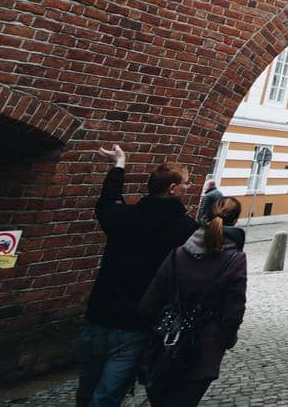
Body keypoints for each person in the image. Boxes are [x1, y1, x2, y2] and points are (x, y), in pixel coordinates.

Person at [77, 144, 198, 407]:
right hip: (136, 321)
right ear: (173, 189)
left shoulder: (124, 216)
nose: (188, 188)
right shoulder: (185, 229)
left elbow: (107, 201)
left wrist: (118, 165)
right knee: (109, 393)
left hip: (99, 314)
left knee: (86, 387)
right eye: (186, 184)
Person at [138, 196, 248, 407]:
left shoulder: (177, 254)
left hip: (166, 343)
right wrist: (226, 339)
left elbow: (148, 304)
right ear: (235, 221)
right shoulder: (235, 259)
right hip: (204, 349)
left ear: (206, 216)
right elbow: (234, 310)